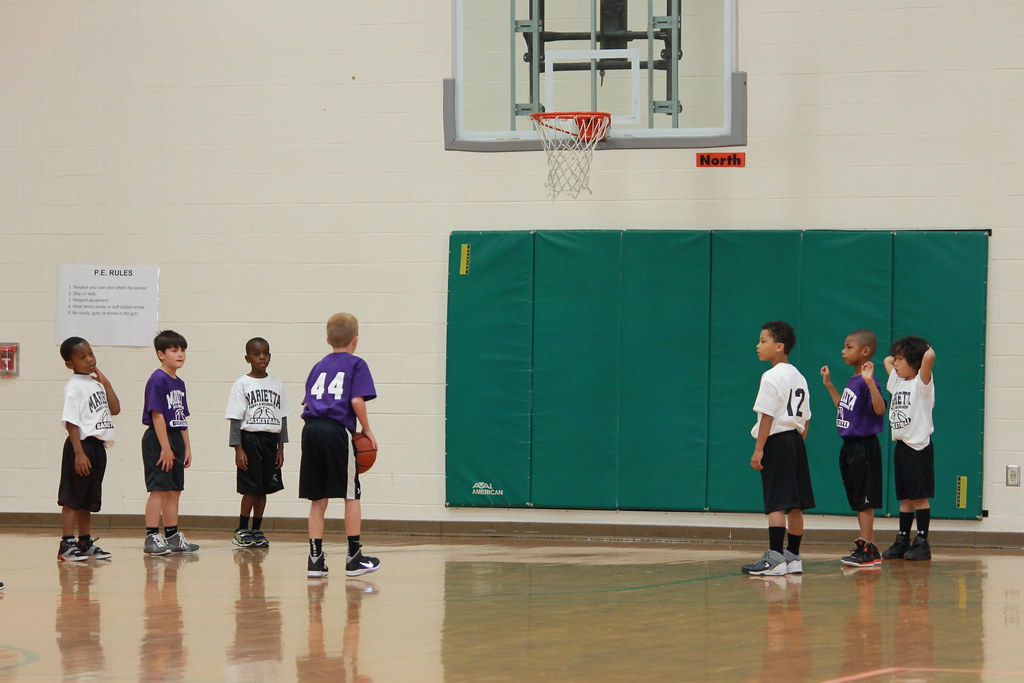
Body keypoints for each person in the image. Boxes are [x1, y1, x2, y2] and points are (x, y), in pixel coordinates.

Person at [300, 313, 380, 578]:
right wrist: (366, 430)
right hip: (336, 431)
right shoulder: (357, 364)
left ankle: (315, 559)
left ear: (327, 339)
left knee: (318, 498)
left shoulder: (318, 365)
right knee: (351, 493)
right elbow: (357, 401)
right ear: (355, 340)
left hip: (310, 430)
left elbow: (306, 403)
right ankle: (354, 556)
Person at [742, 321, 815, 577]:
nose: (758, 345)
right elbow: (806, 418)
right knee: (795, 505)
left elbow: (767, 416)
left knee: (776, 503)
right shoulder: (799, 376)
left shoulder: (771, 376)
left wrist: (759, 448)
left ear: (779, 346)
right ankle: (793, 557)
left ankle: (774, 557)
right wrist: (796, 446)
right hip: (796, 441)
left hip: (777, 441)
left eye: (763, 341)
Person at [820, 330, 887, 567]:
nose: (843, 351)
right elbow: (844, 408)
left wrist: (870, 381)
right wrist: (829, 385)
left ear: (865, 351)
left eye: (849, 347)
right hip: (849, 447)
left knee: (865, 501)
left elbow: (880, 410)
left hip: (864, 446)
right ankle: (865, 545)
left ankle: (868, 548)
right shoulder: (853, 381)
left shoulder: (868, 380)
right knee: (858, 499)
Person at [57, 337, 120, 562]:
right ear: (69, 364)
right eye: (82, 357)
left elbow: (116, 408)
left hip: (97, 447)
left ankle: (84, 542)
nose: (90, 359)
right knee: (72, 498)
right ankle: (67, 543)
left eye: (91, 354)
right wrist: (79, 453)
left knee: (87, 500)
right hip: (80, 446)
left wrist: (107, 384)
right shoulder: (73, 387)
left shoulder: (95, 384)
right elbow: (72, 422)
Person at [225, 337, 290, 548]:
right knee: (250, 489)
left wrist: (281, 447)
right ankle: (242, 529)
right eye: (256, 353)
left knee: (264, 488)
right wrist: (238, 449)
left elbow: (283, 417)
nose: (262, 357)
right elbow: (235, 419)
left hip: (270, 440)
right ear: (248, 358)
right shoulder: (242, 384)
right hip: (250, 439)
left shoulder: (277, 383)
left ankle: (257, 530)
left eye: (265, 353)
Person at [141, 330, 199, 555]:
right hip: (158, 438)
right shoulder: (158, 379)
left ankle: (173, 536)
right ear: (161, 354)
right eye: (174, 350)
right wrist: (165, 447)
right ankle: (151, 536)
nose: (180, 354)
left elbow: (181, 417)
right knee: (159, 489)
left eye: (183, 349)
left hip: (175, 437)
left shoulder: (180, 383)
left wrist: (186, 447)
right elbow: (157, 415)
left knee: (174, 490)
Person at [881, 336, 936, 561]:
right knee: (904, 499)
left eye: (901, 359)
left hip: (918, 447)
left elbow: (929, 355)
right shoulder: (898, 382)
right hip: (902, 445)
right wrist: (898, 356)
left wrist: (920, 347)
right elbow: (886, 360)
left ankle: (922, 541)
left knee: (919, 498)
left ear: (914, 362)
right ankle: (903, 539)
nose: (894, 363)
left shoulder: (921, 383)